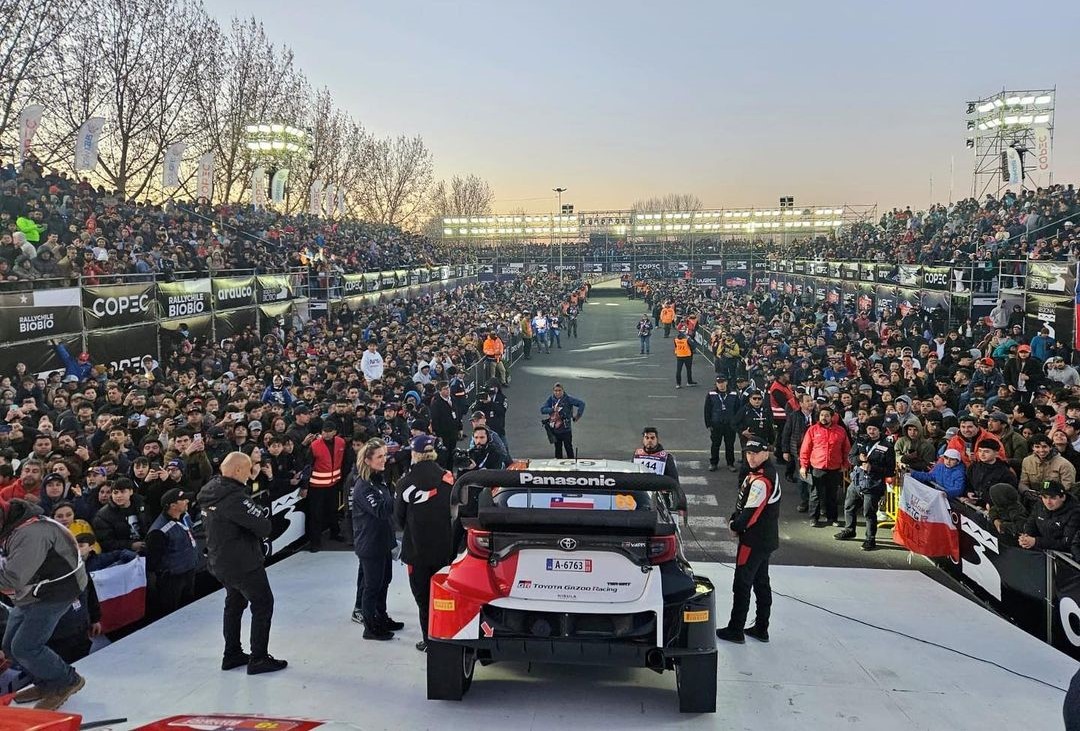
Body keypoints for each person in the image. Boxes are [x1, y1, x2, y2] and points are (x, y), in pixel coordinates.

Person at [199, 452, 286, 675]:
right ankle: (258, 658)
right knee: (263, 604)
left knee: (234, 604)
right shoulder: (235, 498)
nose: (250, 475)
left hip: (221, 561)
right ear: (237, 470)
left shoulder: (211, 490)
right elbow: (264, 526)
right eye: (248, 470)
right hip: (243, 563)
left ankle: (232, 653)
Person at [0, 498, 88, 710]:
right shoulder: (12, 522)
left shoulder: (30, 534)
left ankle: (67, 681)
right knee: (10, 645)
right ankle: (46, 681)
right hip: (34, 587)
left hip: (57, 591)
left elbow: (12, 579)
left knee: (25, 646)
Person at [394, 434, 456, 652]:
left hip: (416, 550)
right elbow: (455, 513)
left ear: (414, 454)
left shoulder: (404, 483)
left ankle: (429, 640)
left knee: (423, 598)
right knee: (444, 596)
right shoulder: (449, 478)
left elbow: (398, 520)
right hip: (443, 549)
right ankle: (446, 636)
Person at [716, 438, 780, 644]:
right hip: (764, 539)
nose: (751, 457)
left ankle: (736, 629)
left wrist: (735, 526)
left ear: (766, 453)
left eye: (755, 453)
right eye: (748, 453)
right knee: (761, 582)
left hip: (753, 540)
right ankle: (761, 627)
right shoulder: (760, 474)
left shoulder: (762, 479)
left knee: (742, 584)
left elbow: (752, 512)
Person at [350, 438, 400, 640]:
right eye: (380, 456)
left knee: (384, 581)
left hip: (383, 540)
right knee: (372, 586)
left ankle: (381, 616)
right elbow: (380, 509)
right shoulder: (364, 486)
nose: (384, 459)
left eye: (385, 455)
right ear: (368, 460)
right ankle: (370, 626)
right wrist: (399, 496)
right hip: (370, 544)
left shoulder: (379, 480)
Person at [834, 418, 894, 551]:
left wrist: (872, 468)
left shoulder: (887, 446)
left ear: (880, 430)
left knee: (869, 512)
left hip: (873, 484)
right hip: (856, 481)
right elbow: (850, 457)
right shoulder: (861, 441)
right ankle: (849, 530)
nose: (871, 432)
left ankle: (870, 539)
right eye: (869, 429)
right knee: (849, 506)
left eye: (874, 429)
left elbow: (890, 470)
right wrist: (859, 460)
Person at [144, 487, 198, 618]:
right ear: (173, 506)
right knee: (171, 612)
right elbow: (153, 561)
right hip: (172, 579)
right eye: (183, 500)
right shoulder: (159, 531)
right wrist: (169, 571)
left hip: (188, 571)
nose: (187, 501)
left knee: (189, 607)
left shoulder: (184, 516)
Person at [799, 405, 850, 528]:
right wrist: (803, 466)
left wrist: (845, 464)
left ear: (832, 417)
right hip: (817, 466)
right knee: (815, 494)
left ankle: (832, 517)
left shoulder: (841, 431)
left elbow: (846, 449)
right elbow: (805, 449)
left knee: (832, 494)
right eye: (822, 415)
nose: (824, 418)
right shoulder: (812, 430)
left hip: (834, 467)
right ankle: (813, 518)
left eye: (827, 415)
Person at [304, 418, 349, 551]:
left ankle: (335, 533)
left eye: (329, 431)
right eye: (324, 431)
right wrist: (305, 486)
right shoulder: (314, 445)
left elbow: (345, 461)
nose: (326, 434)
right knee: (316, 514)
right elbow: (308, 466)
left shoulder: (341, 443)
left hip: (334, 484)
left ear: (335, 432)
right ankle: (315, 541)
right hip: (317, 487)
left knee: (333, 511)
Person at [1019, 480, 1080, 552]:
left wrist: (1036, 541)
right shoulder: (1039, 505)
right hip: (1041, 551)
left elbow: (1066, 543)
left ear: (1063, 497)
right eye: (1044, 497)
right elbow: (1030, 524)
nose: (1048, 502)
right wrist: (1026, 537)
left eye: (1053, 498)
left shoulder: (1075, 513)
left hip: (1062, 557)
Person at [705, 375, 741, 473]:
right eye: (719, 382)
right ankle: (713, 463)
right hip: (716, 424)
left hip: (730, 424)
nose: (721, 384)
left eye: (722, 382)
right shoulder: (711, 394)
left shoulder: (734, 393)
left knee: (730, 445)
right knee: (715, 444)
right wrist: (708, 424)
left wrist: (736, 423)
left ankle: (730, 463)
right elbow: (707, 410)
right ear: (716, 384)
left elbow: (738, 409)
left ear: (726, 382)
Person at [540, 383, 586, 459]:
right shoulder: (551, 399)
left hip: (566, 429)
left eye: (559, 390)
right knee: (558, 449)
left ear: (563, 391)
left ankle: (572, 466)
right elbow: (542, 410)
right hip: (555, 430)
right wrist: (552, 409)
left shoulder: (568, 399)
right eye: (555, 391)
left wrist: (578, 415)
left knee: (568, 448)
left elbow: (581, 404)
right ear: (553, 391)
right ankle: (558, 468)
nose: (557, 392)